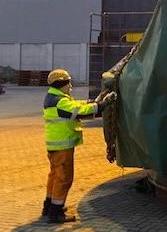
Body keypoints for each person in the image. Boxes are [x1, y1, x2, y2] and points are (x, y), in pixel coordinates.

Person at [42, 69, 117, 223]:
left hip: (56, 146)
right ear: (62, 84)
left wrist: (94, 101)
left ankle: (49, 206)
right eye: (68, 83)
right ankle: (55, 213)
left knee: (55, 176)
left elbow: (76, 105)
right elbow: (80, 111)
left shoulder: (55, 98)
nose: (70, 86)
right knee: (64, 179)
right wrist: (105, 103)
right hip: (62, 146)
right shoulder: (60, 102)